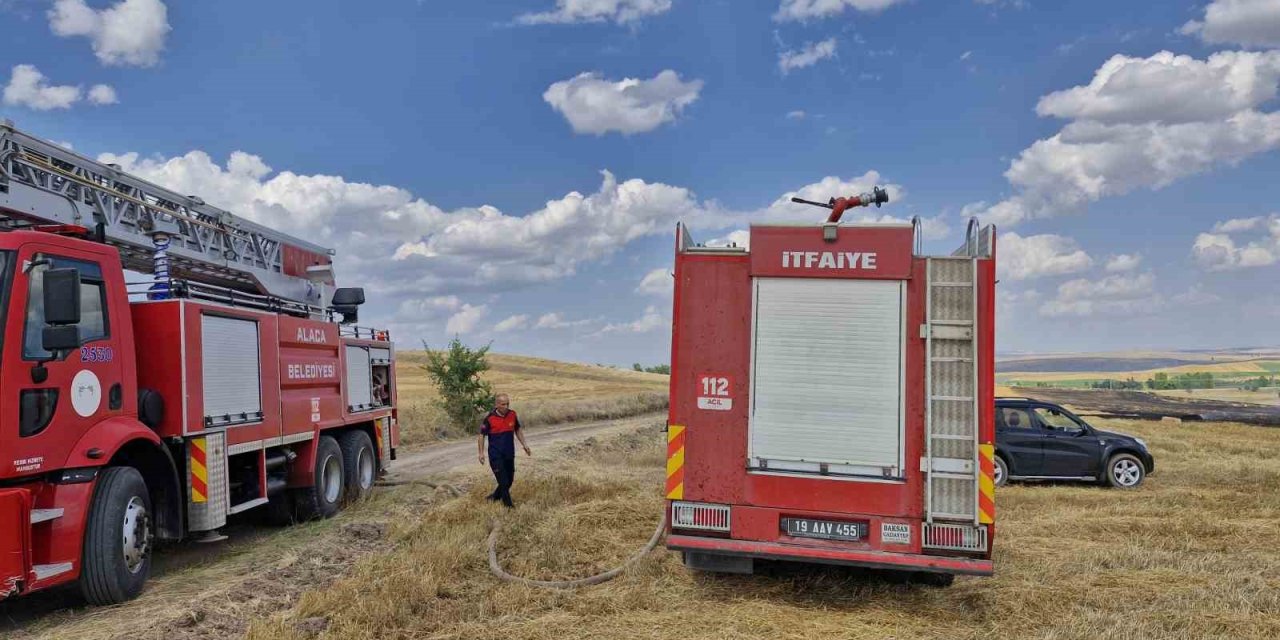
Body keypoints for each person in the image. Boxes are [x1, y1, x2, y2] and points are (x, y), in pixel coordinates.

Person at [478, 394, 531, 507]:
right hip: (495, 455)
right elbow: (481, 435)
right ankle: (509, 507)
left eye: (507, 404)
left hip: (509, 453)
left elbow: (517, 429)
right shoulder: (489, 418)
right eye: (503, 404)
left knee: (509, 480)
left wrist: (525, 445)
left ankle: (494, 497)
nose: (506, 406)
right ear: (497, 405)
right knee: (503, 482)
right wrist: (481, 453)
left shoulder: (512, 414)